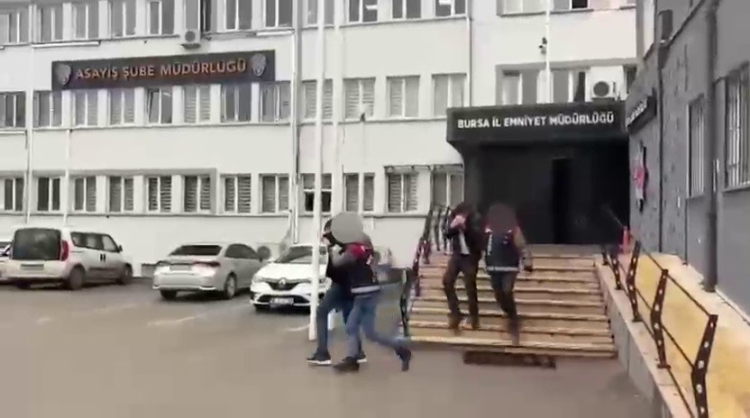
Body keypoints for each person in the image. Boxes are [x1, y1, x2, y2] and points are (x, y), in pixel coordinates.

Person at [331, 231, 412, 373]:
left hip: (364, 293)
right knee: (360, 329)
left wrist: (333, 251)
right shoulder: (367, 252)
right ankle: (353, 359)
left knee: (358, 329)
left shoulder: (354, 251)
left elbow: (337, 262)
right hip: (368, 293)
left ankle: (353, 359)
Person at [306, 219, 366, 366]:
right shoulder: (352, 243)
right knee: (349, 319)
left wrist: (329, 248)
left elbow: (333, 271)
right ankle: (358, 353)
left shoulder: (339, 246)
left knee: (321, 312)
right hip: (352, 286)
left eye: (327, 232)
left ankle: (322, 353)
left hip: (341, 285)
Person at [484, 203, 533, 346]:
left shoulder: (513, 230)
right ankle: (508, 312)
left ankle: (513, 318)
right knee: (498, 294)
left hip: (509, 266)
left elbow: (522, 246)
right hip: (494, 267)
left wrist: (527, 261)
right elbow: (484, 246)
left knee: (507, 290)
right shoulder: (489, 230)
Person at [442, 202, 484, 331]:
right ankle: (456, 313)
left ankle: (474, 317)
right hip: (457, 255)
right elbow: (446, 234)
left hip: (471, 256)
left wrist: (465, 228)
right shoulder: (453, 217)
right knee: (447, 281)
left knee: (470, 286)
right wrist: (453, 227)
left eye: (464, 215)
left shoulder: (476, 219)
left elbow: (478, 239)